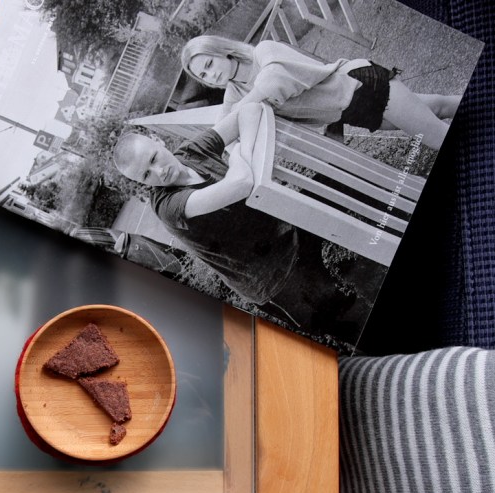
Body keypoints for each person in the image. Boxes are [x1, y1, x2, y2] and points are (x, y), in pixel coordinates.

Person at [112, 102, 385, 346]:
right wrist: (238, 154)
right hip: (273, 279)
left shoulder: (190, 153)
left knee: (335, 184)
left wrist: (238, 152)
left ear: (158, 141)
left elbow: (250, 109)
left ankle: (386, 228)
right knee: (351, 318)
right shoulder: (168, 207)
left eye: (153, 159)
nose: (159, 172)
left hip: (284, 228)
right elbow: (241, 183)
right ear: (140, 182)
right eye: (146, 174)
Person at [180, 35, 461, 149]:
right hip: (352, 112)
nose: (211, 74)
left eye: (209, 63)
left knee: (437, 139)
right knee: (437, 108)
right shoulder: (235, 92)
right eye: (203, 75)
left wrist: (242, 110)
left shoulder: (263, 52)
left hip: (362, 86)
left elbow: (272, 82)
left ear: (221, 52)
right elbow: (222, 128)